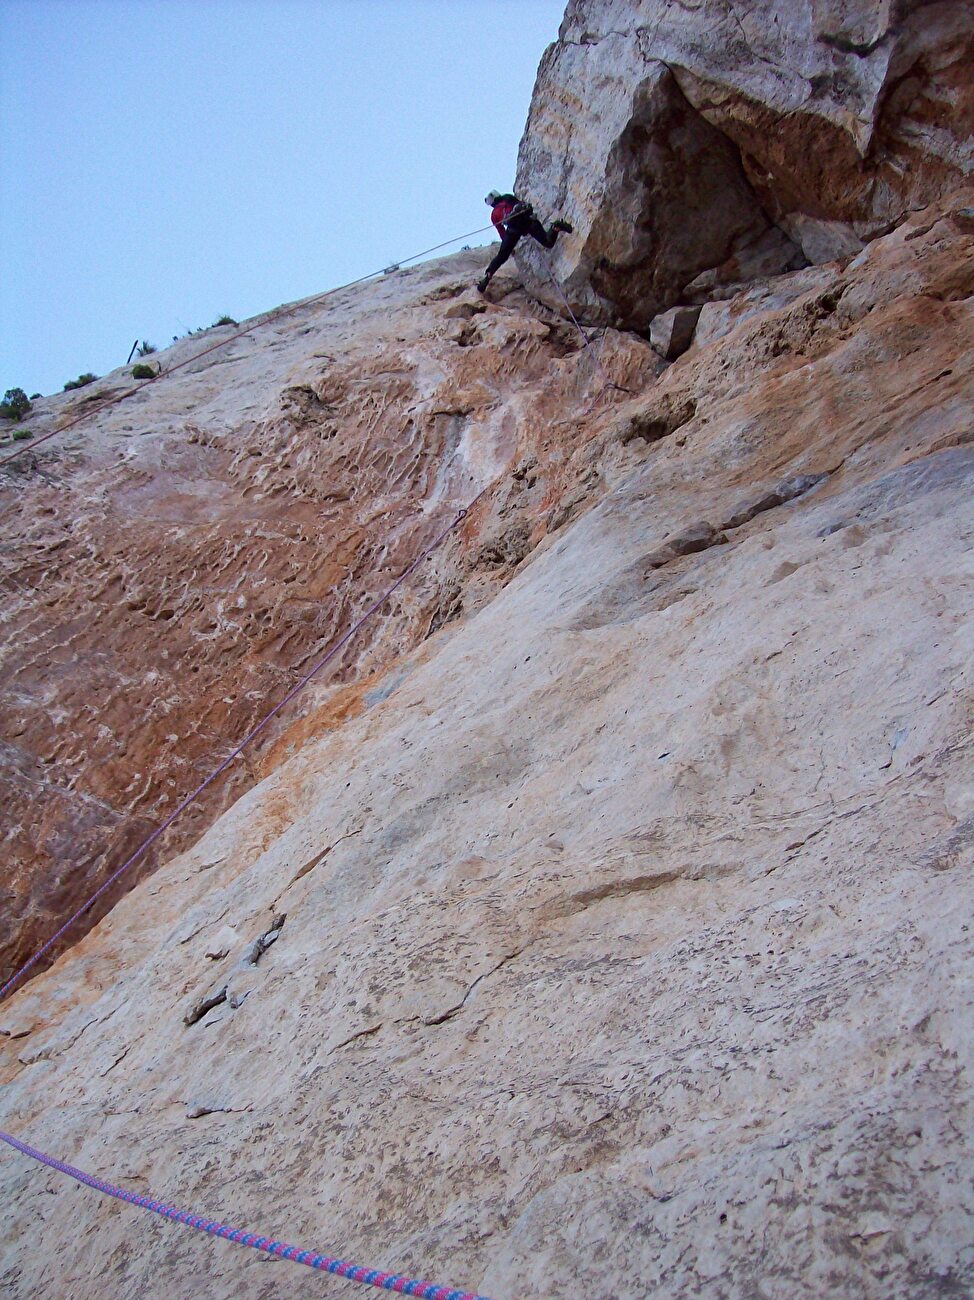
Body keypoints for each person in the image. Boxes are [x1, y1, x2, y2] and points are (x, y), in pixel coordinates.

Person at [477, 191, 572, 294]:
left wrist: (508, 247)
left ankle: (487, 277)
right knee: (548, 242)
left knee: (502, 256)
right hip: (528, 222)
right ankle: (555, 227)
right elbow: (523, 205)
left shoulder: (494, 214)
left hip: (514, 228)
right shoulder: (507, 197)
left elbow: (501, 232)